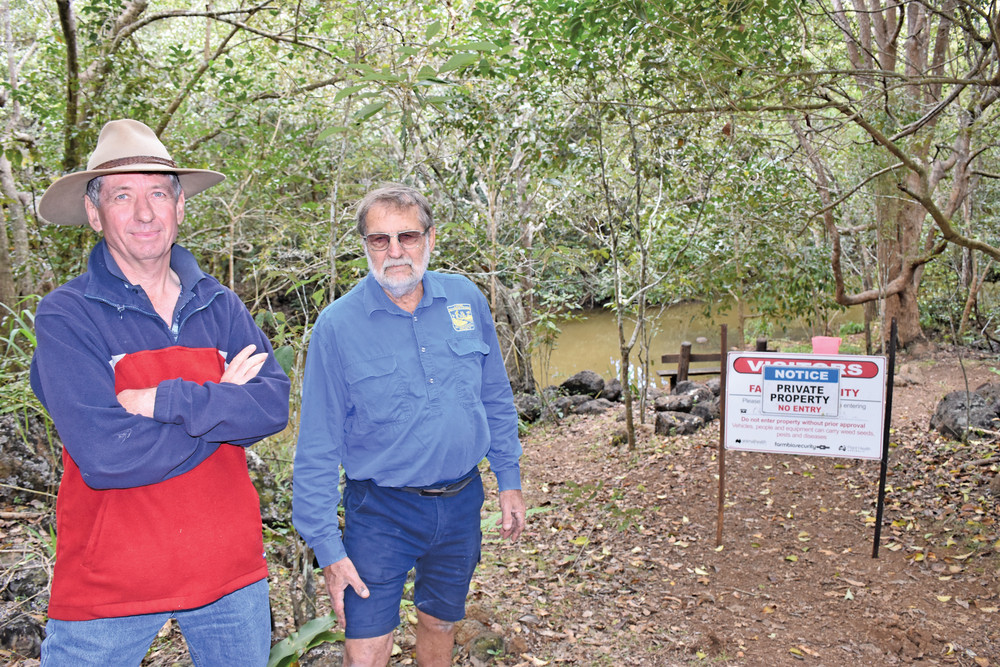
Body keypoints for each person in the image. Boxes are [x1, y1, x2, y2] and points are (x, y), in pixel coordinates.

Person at [30, 119, 290, 666]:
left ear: (180, 206)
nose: (145, 213)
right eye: (123, 196)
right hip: (108, 585)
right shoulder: (67, 315)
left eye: (158, 194)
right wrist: (221, 410)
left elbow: (271, 406)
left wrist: (167, 403)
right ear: (95, 214)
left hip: (230, 576)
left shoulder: (219, 305)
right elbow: (105, 454)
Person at [292, 184, 526, 666]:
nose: (395, 251)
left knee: (440, 622)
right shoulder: (337, 326)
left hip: (461, 503)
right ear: (365, 246)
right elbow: (316, 445)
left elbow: (495, 395)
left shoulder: (465, 299)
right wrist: (327, 549)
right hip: (381, 511)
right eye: (380, 240)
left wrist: (509, 479)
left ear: (430, 239)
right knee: (368, 642)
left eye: (407, 237)